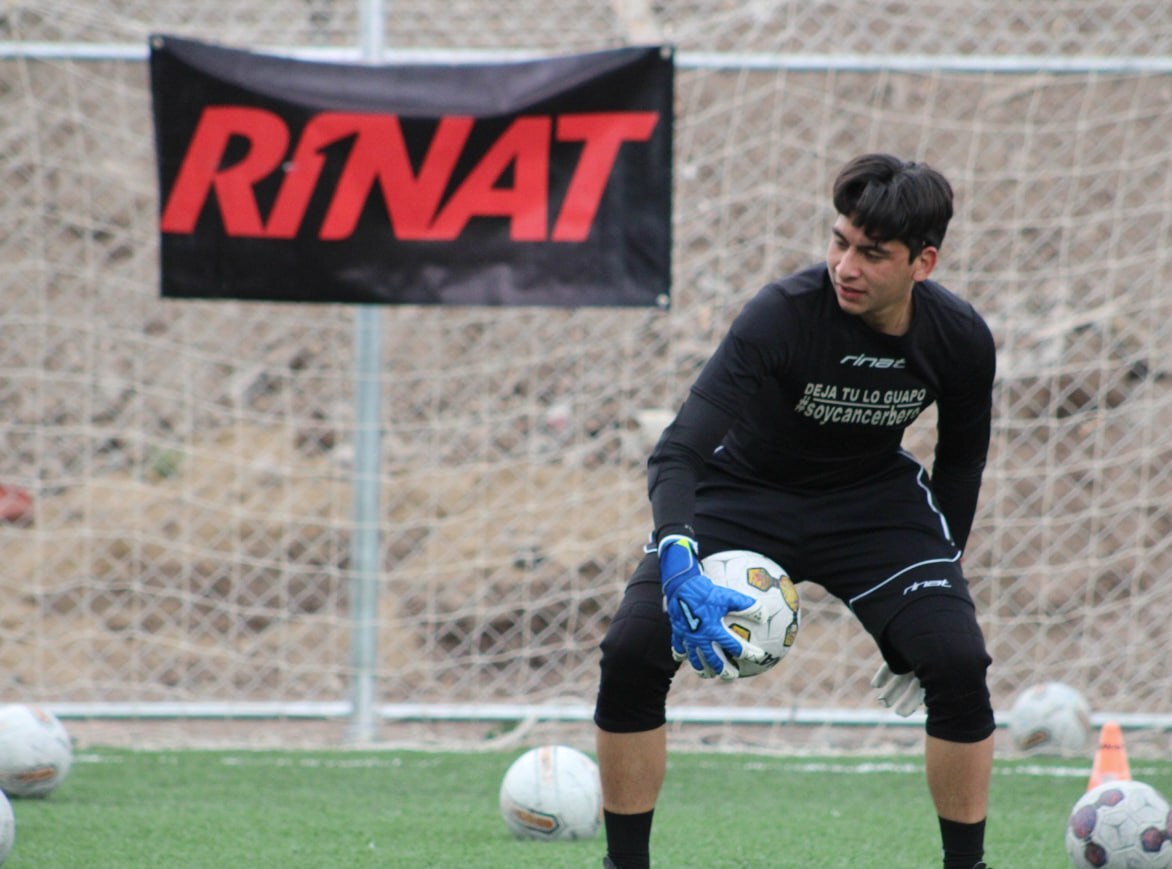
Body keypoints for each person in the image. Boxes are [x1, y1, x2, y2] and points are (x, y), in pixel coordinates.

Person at [593, 153, 997, 869]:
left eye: (872, 253)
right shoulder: (780, 314)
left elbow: (960, 464)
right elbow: (678, 450)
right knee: (631, 650)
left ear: (922, 263)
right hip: (744, 494)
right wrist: (679, 553)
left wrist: (938, 585)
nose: (846, 264)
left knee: (957, 659)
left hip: (871, 502)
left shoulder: (960, 340)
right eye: (840, 240)